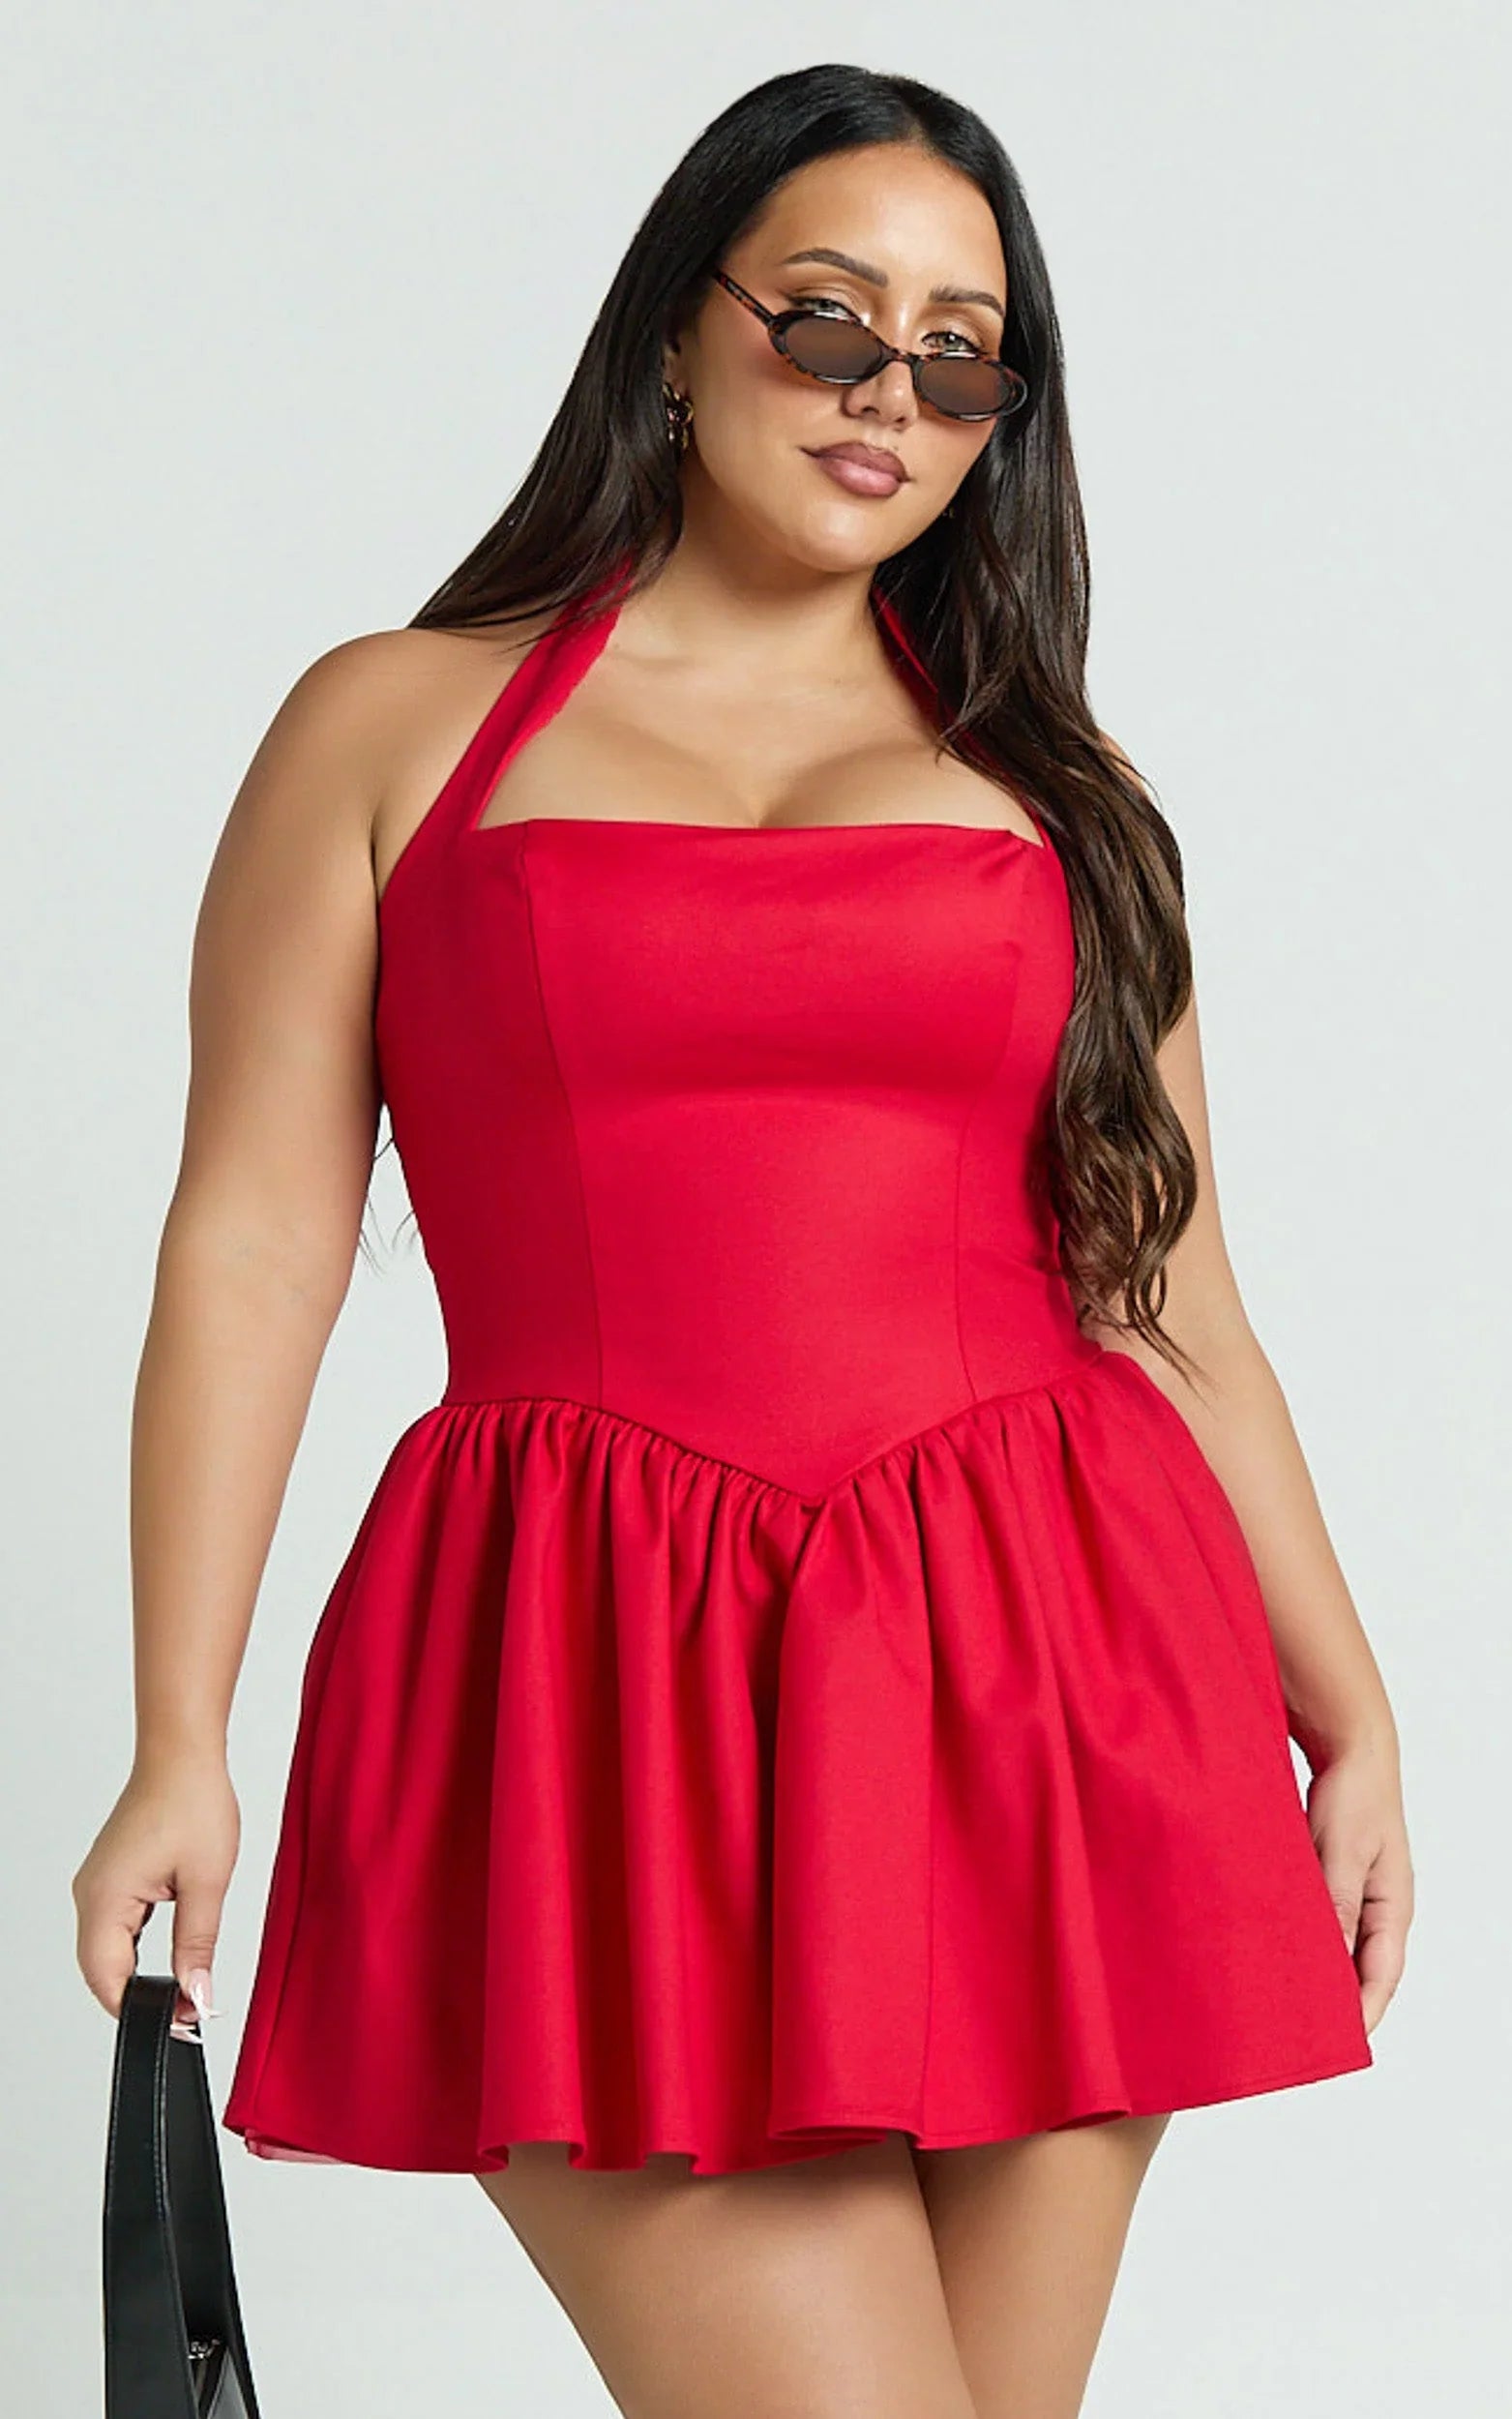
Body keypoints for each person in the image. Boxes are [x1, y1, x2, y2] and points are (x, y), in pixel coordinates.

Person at [73, 61, 1412, 2419]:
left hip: (1045, 1669)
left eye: (958, 357)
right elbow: (257, 1239)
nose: (888, 392)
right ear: (676, 334)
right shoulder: (392, 726)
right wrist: (179, 1731)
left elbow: (1165, 1292)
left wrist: (1349, 1704)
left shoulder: (1064, 797)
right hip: (595, 1675)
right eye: (827, 320)